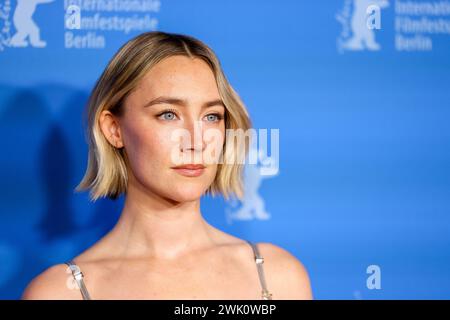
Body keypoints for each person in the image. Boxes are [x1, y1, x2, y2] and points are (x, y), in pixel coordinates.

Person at [21, 31, 312, 300]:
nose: (196, 141)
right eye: (168, 115)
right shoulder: (61, 293)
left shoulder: (276, 276)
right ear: (114, 129)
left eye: (211, 116)